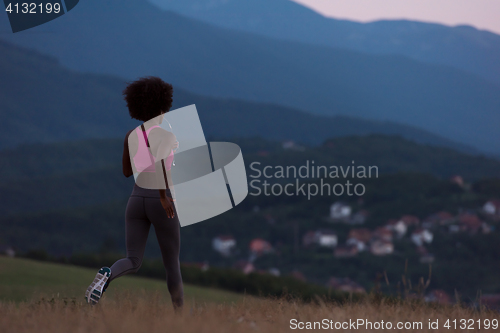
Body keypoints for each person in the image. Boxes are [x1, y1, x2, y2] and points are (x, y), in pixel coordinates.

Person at [85, 77, 183, 310]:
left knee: (133, 260)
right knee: (172, 264)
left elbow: (126, 171)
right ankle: (182, 317)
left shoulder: (131, 135)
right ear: (163, 104)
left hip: (136, 200)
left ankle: (106, 276)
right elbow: (161, 165)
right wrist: (163, 196)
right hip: (160, 201)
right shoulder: (167, 136)